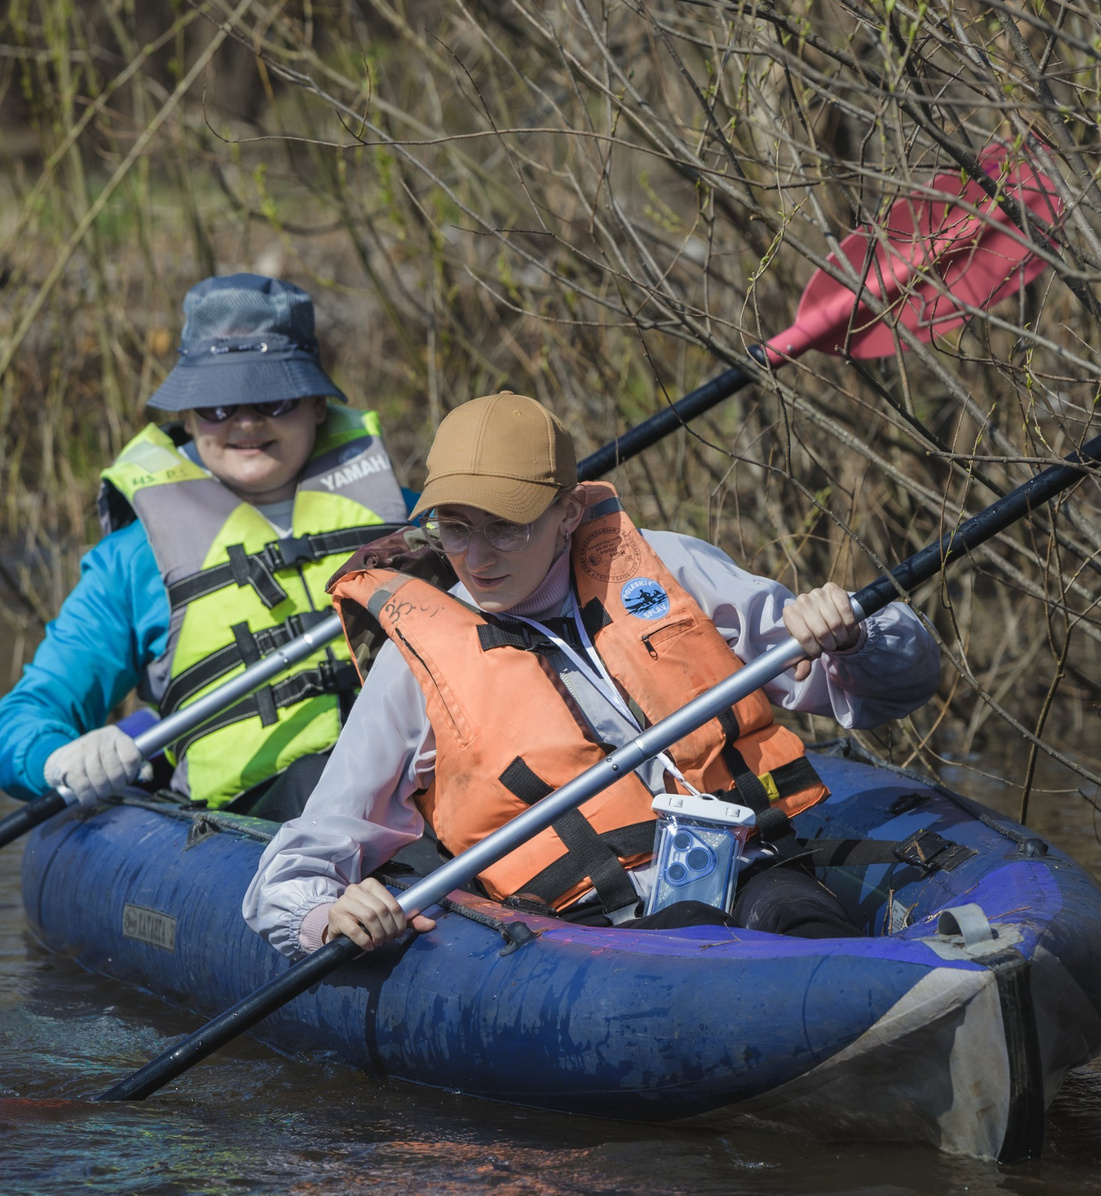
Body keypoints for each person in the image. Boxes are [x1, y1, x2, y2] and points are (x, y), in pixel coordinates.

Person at [242, 390, 943, 958]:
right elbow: (292, 872)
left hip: (752, 866)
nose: (478, 558)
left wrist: (854, 638)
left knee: (796, 915)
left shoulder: (664, 570)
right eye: (456, 528)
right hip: (586, 934)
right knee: (692, 930)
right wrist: (330, 911)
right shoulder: (415, 661)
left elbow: (893, 689)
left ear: (569, 511)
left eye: (506, 527)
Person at [0, 274, 412, 819]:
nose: (247, 422)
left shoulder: (414, 520)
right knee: (314, 782)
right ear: (186, 415)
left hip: (423, 783)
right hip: (264, 815)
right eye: (216, 405)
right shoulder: (134, 562)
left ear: (317, 403)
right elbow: (22, 717)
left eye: (274, 398)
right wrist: (58, 756)